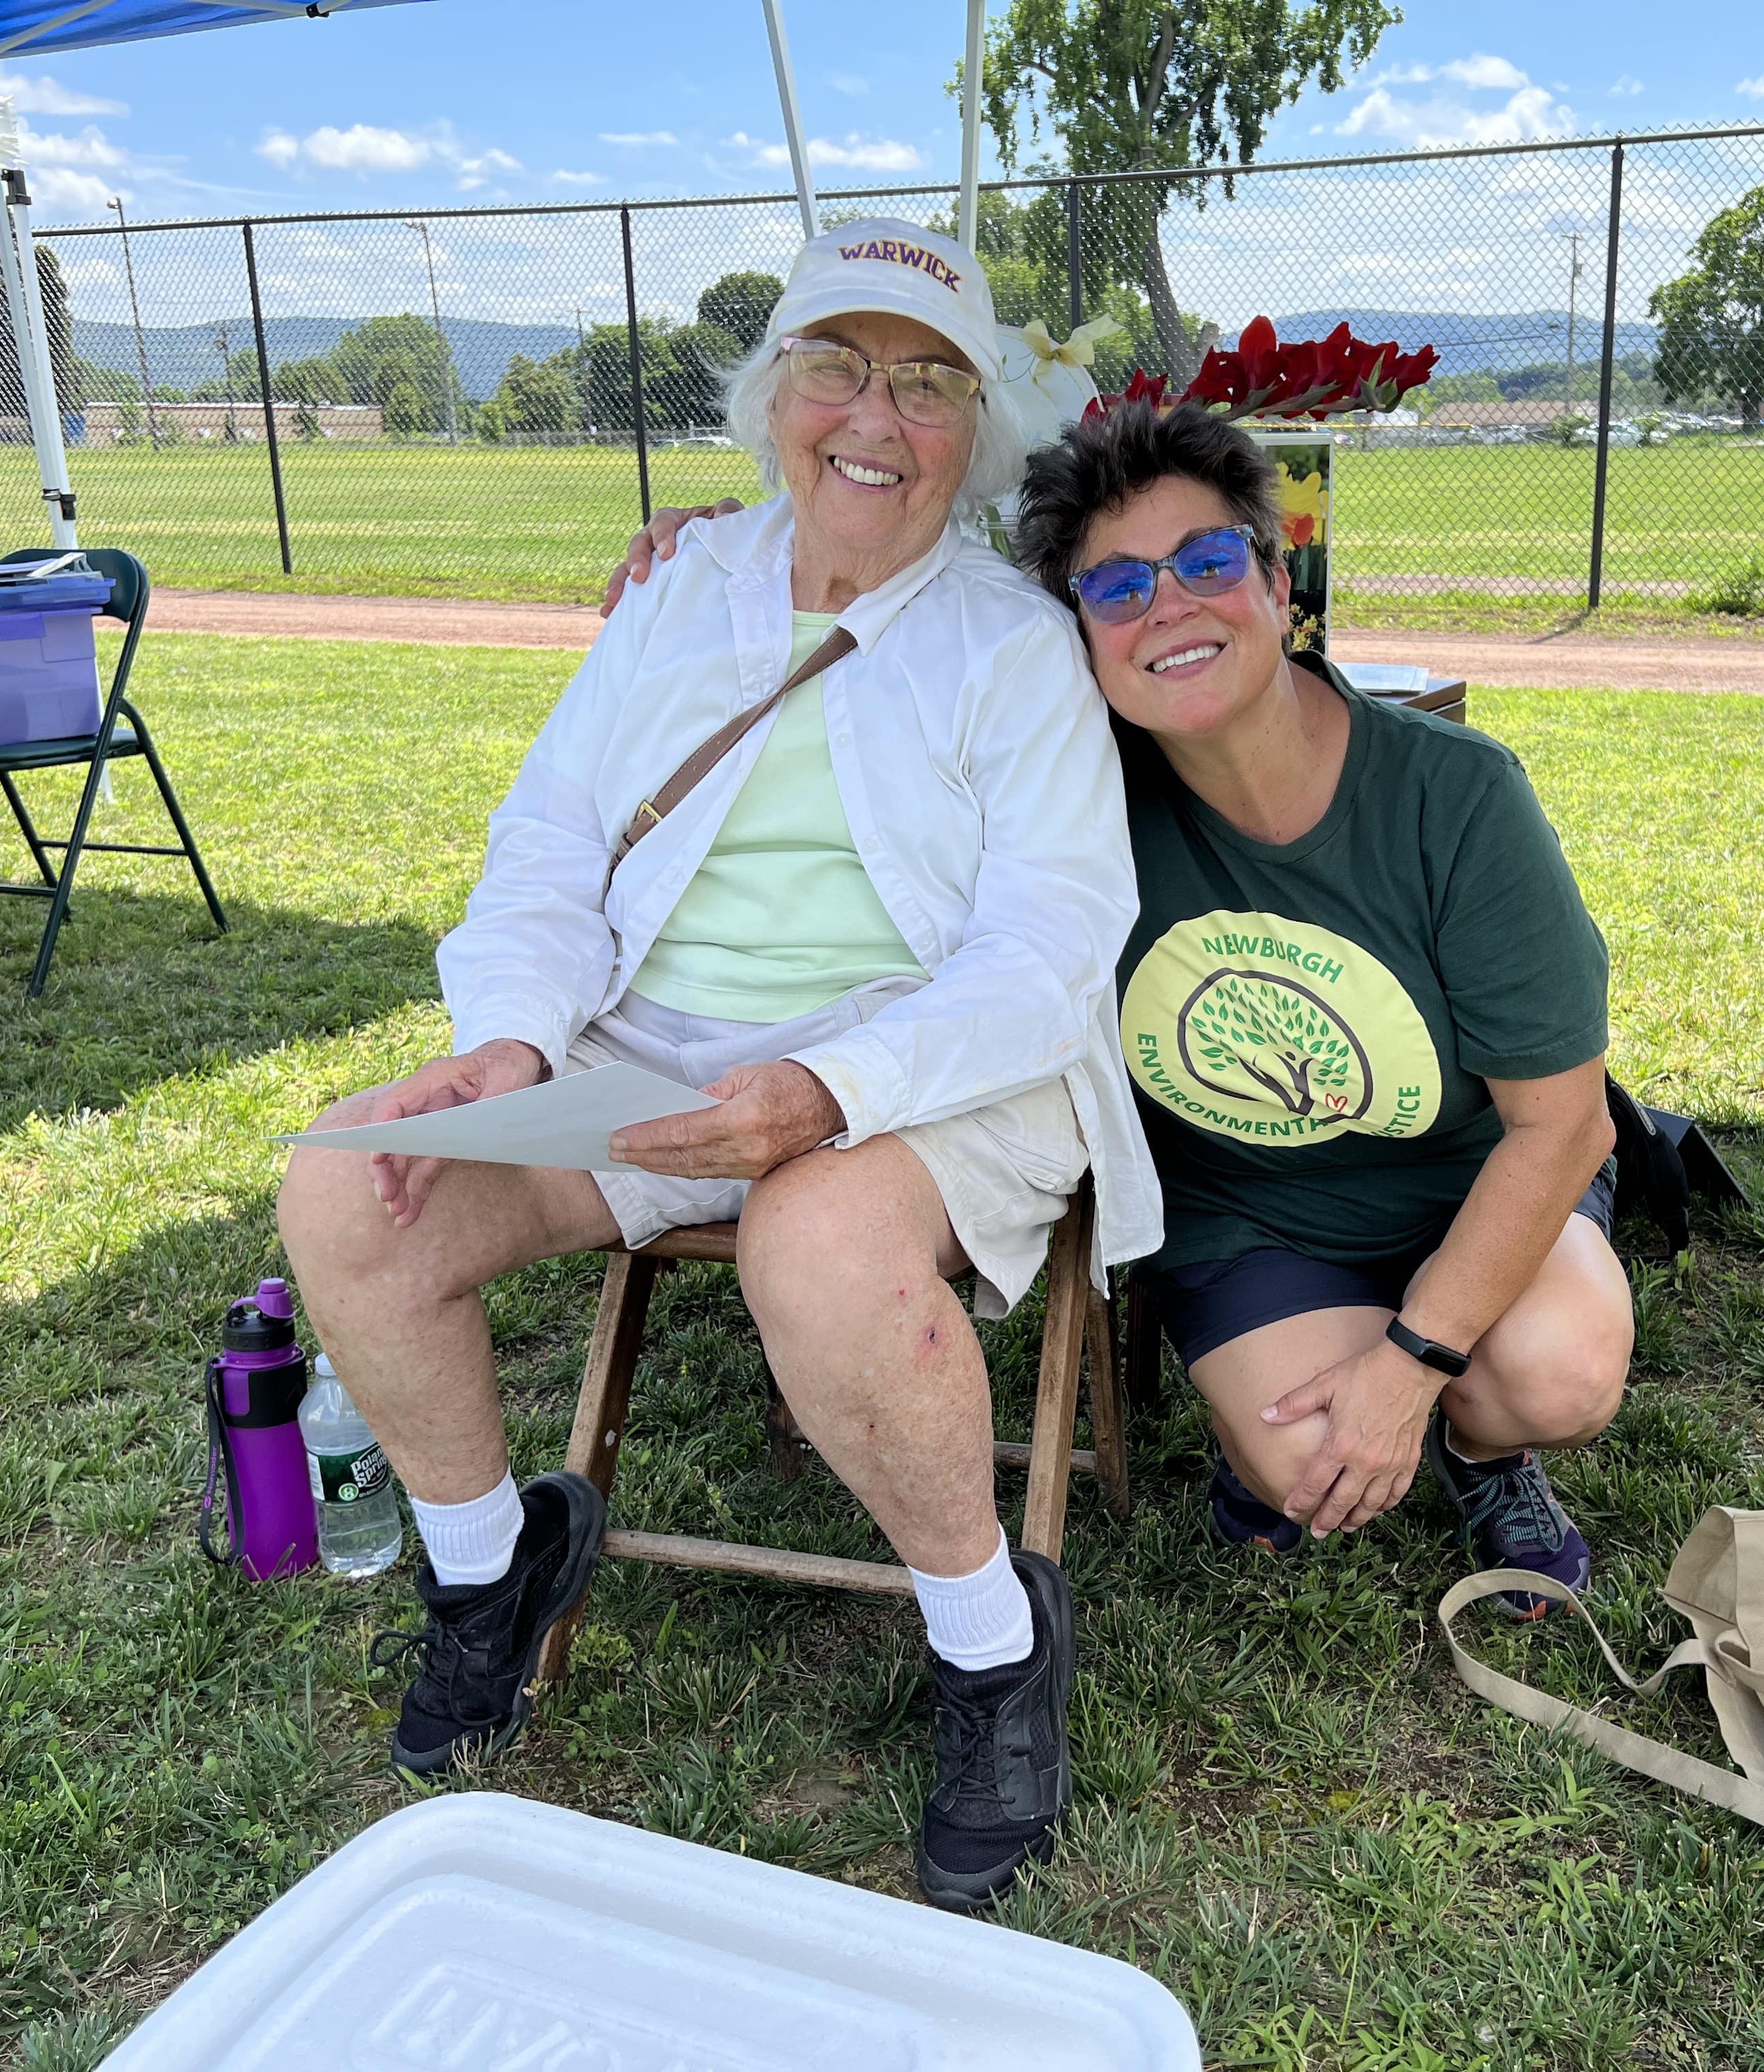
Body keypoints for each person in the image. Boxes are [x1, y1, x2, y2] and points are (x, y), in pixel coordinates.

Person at [276, 219, 1161, 1914]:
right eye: (837, 365)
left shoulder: (1011, 644)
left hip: (934, 1068)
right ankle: (492, 1566)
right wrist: (509, 1046)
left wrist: (832, 1094)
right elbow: (547, 840)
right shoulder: (684, 592)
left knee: (814, 1241)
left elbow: (1048, 952)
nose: (874, 418)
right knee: (348, 1188)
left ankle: (993, 1645)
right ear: (772, 400)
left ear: (976, 432)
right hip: (650, 1051)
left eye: (927, 383)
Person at [615, 402, 1631, 1610]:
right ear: (1081, 635)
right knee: (1310, 1463)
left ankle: (1485, 1451)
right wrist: (742, 551)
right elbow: (905, 651)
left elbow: (1562, 1126)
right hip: (1247, 1209)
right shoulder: (1068, 790)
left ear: (1275, 579)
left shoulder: (1451, 793)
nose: (1169, 608)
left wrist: (1412, 1366)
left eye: (1206, 561)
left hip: (1462, 1177)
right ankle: (1272, 1407)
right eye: (1116, 589)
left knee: (1557, 1373)